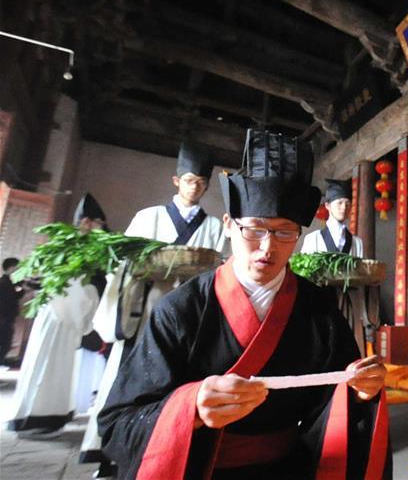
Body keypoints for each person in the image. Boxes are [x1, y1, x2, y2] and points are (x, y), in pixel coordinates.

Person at [99, 130, 389, 479]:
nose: (268, 247)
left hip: (287, 471)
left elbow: (339, 397)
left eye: (285, 232)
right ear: (228, 225)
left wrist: (361, 393)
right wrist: (190, 407)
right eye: (255, 230)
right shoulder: (181, 309)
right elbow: (118, 423)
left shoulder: (319, 309)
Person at [81, 143, 226, 471]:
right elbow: (123, 263)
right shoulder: (148, 217)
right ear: (176, 181)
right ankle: (111, 453)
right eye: (189, 180)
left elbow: (217, 270)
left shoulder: (214, 228)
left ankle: (163, 446)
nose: (195, 187)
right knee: (129, 380)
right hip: (145, 309)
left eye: (202, 182)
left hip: (186, 315)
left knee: (175, 380)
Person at [6, 195, 107, 437]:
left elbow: (94, 283)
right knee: (45, 364)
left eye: (96, 223)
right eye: (90, 221)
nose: (94, 226)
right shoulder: (67, 246)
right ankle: (35, 417)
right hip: (57, 312)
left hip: (67, 317)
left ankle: (49, 416)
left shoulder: (95, 249)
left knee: (59, 367)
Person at [299, 179, 362, 256]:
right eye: (340, 203)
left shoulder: (357, 243)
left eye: (347, 204)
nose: (344, 207)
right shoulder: (313, 238)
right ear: (327, 206)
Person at [0, 256, 23, 364]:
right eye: (17, 268)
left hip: (6, 318)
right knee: (5, 343)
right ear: (11, 268)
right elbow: (10, 299)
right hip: (4, 318)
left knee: (5, 343)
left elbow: (14, 296)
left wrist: (22, 289)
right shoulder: (4, 283)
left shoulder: (8, 282)